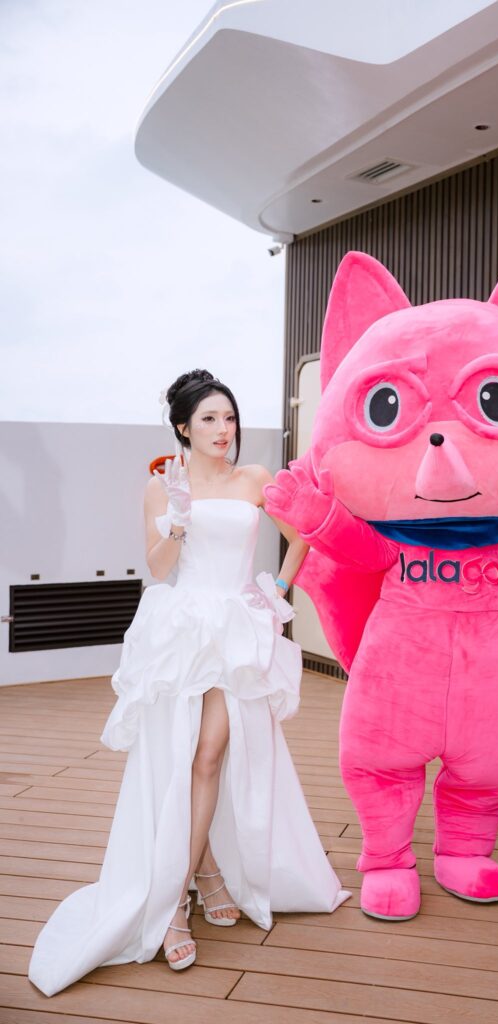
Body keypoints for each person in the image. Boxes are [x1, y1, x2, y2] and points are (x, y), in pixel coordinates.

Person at [28, 368, 350, 996]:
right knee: (185, 755)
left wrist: (276, 592)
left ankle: (180, 892)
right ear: (183, 426)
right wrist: (176, 517)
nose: (223, 429)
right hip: (184, 629)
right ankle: (201, 879)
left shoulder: (254, 479)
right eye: (209, 419)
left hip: (237, 625)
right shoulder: (162, 485)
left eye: (229, 418)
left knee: (210, 752)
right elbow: (158, 568)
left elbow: (301, 537)